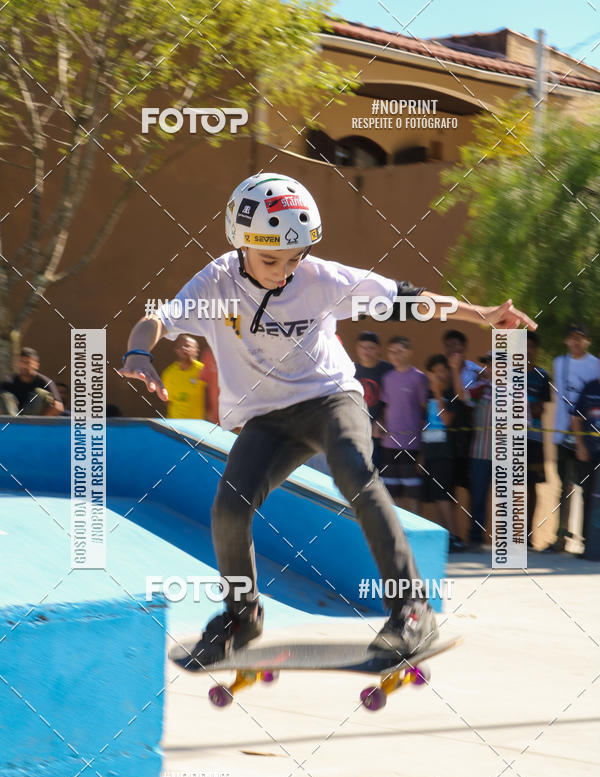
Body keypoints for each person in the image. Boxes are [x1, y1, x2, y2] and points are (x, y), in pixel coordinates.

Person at [119, 171, 536, 665]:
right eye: (270, 259)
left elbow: (409, 299)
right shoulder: (215, 281)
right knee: (229, 508)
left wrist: (481, 313)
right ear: (241, 243)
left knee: (355, 473)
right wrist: (138, 352)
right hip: (267, 419)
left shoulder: (321, 279)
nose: (283, 271)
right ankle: (241, 614)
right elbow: (158, 319)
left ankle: (412, 611)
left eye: (294, 258)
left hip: (330, 398)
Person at [547, 324, 600, 552]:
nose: (575, 342)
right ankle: (561, 538)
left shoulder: (595, 364)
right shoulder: (559, 363)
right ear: (566, 341)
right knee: (564, 488)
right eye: (571, 338)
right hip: (563, 433)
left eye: (580, 338)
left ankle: (588, 539)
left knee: (587, 489)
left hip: (587, 437)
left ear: (586, 341)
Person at [421, 354, 467, 552]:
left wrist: (438, 394)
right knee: (435, 497)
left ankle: (455, 536)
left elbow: (447, 420)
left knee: (444, 497)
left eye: (443, 370)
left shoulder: (449, 394)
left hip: (445, 452)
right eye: (435, 371)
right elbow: (423, 424)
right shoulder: (426, 394)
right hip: (429, 451)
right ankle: (444, 537)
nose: (439, 374)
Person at [378, 336, 428, 513]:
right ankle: (397, 531)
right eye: (391, 352)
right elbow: (386, 407)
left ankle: (414, 531)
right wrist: (380, 424)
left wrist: (422, 444)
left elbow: (425, 410)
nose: (395, 355)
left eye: (400, 351)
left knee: (412, 490)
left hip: (411, 443)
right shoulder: (388, 378)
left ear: (409, 352)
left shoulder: (419, 378)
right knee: (391, 490)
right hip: (389, 442)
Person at [442, 330, 478, 502]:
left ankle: (474, 529)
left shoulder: (476, 370)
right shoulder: (441, 370)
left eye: (455, 345)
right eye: (448, 346)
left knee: (472, 486)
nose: (451, 349)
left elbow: (464, 398)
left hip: (470, 436)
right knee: (448, 490)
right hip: (447, 437)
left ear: (464, 347)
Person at [354, 331, 393, 468]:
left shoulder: (389, 371)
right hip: (355, 433)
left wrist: (382, 419)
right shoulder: (351, 370)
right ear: (357, 348)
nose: (366, 351)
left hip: (380, 436)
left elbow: (394, 402)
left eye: (371, 348)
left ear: (379, 349)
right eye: (363, 347)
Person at [526, 333, 551, 549]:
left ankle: (528, 534)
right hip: (511, 439)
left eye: (531, 347)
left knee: (532, 487)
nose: (527, 351)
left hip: (534, 438)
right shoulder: (508, 374)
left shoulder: (543, 376)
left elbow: (540, 409)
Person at [571, 375, 600, 558]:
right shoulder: (589, 387)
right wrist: (580, 445)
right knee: (588, 497)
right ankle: (588, 545)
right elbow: (575, 418)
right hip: (589, 453)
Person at [467, 354, 493, 550]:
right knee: (478, 496)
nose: (492, 369)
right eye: (489, 365)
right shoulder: (480, 388)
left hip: (506, 455)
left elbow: (524, 422)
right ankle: (475, 538)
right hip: (480, 452)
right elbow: (463, 396)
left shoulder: (517, 392)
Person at [0, 347, 63, 416]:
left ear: (36, 365)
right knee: (4, 395)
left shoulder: (45, 382)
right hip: (13, 421)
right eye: (22, 362)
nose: (24, 366)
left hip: (34, 422)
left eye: (28, 362)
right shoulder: (8, 381)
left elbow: (58, 407)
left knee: (41, 393)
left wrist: (42, 421)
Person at [161, 335, 211, 420]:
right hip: (175, 425)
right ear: (176, 350)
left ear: (196, 351)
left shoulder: (204, 371)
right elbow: (167, 401)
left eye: (188, 346)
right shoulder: (169, 373)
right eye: (180, 347)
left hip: (198, 426)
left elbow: (210, 400)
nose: (184, 349)